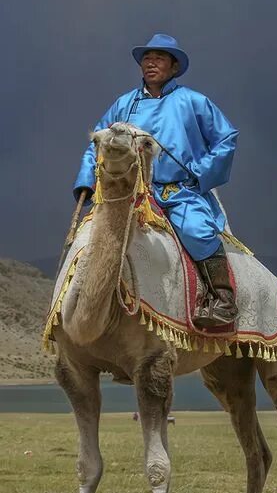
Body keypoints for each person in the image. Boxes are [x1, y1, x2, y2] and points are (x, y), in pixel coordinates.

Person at [73, 33, 239, 331]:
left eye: (159, 58)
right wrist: (87, 179)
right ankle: (74, 307)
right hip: (129, 192)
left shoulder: (193, 101)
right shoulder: (123, 105)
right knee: (91, 237)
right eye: (146, 58)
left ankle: (223, 301)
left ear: (174, 67)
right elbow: (97, 141)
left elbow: (227, 138)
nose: (151, 63)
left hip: (177, 191)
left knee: (197, 230)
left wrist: (200, 172)